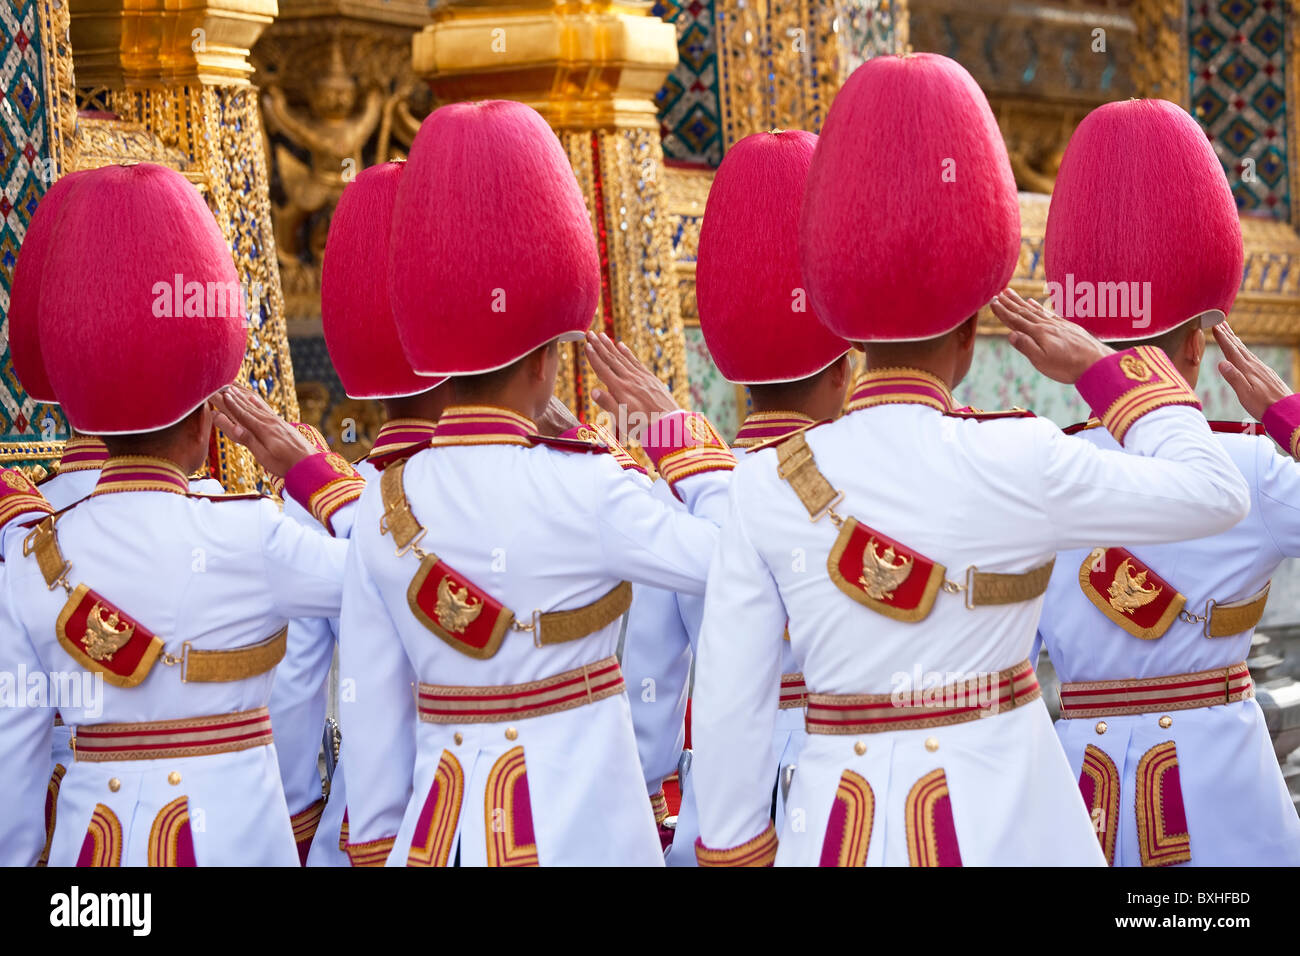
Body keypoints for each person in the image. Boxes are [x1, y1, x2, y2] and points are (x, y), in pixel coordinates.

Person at [688, 52, 1250, 866]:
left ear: (844, 338)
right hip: (1012, 828)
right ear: (971, 332)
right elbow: (1211, 492)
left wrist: (737, 848)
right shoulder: (1017, 453)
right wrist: (1106, 370)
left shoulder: (767, 481)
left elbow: (731, 706)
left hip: (834, 830)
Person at [337, 99, 734, 866]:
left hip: (435, 840)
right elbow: (737, 558)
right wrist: (675, 440)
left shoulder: (382, 505)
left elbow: (374, 730)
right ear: (552, 357)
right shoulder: (589, 489)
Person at [0, 162, 366, 866]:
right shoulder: (253, 533)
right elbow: (399, 577)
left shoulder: (31, 557)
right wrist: (316, 478)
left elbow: (15, 762)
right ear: (208, 419)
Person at [1033, 97, 1300, 866]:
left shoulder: (1037, 463)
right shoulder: (1247, 462)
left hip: (1077, 800)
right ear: (1197, 341)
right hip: (1226, 802)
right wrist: (1286, 416)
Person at [587, 129, 853, 863]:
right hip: (867, 795)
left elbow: (649, 691)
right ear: (845, 367)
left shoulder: (677, 496)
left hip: (722, 814)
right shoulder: (884, 476)